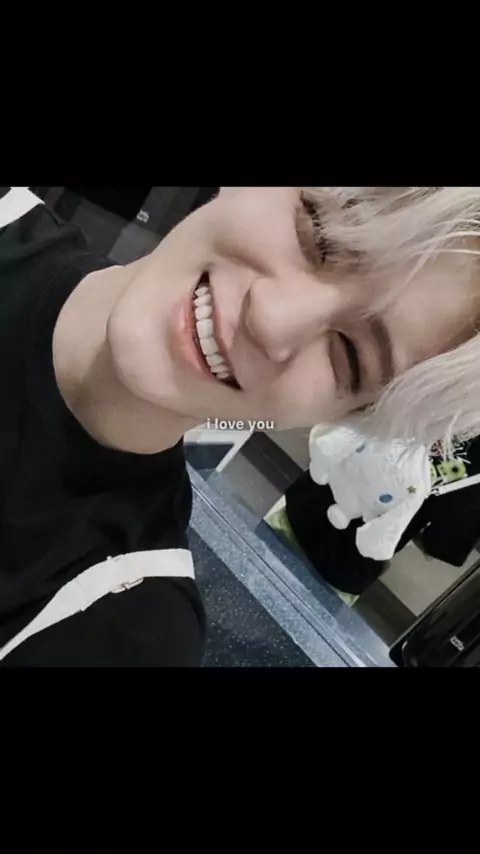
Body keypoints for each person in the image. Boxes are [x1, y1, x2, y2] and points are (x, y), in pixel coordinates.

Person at [1, 185, 479, 666]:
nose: (273, 319)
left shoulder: (118, 628)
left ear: (349, 415)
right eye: (317, 234)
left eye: (351, 356)